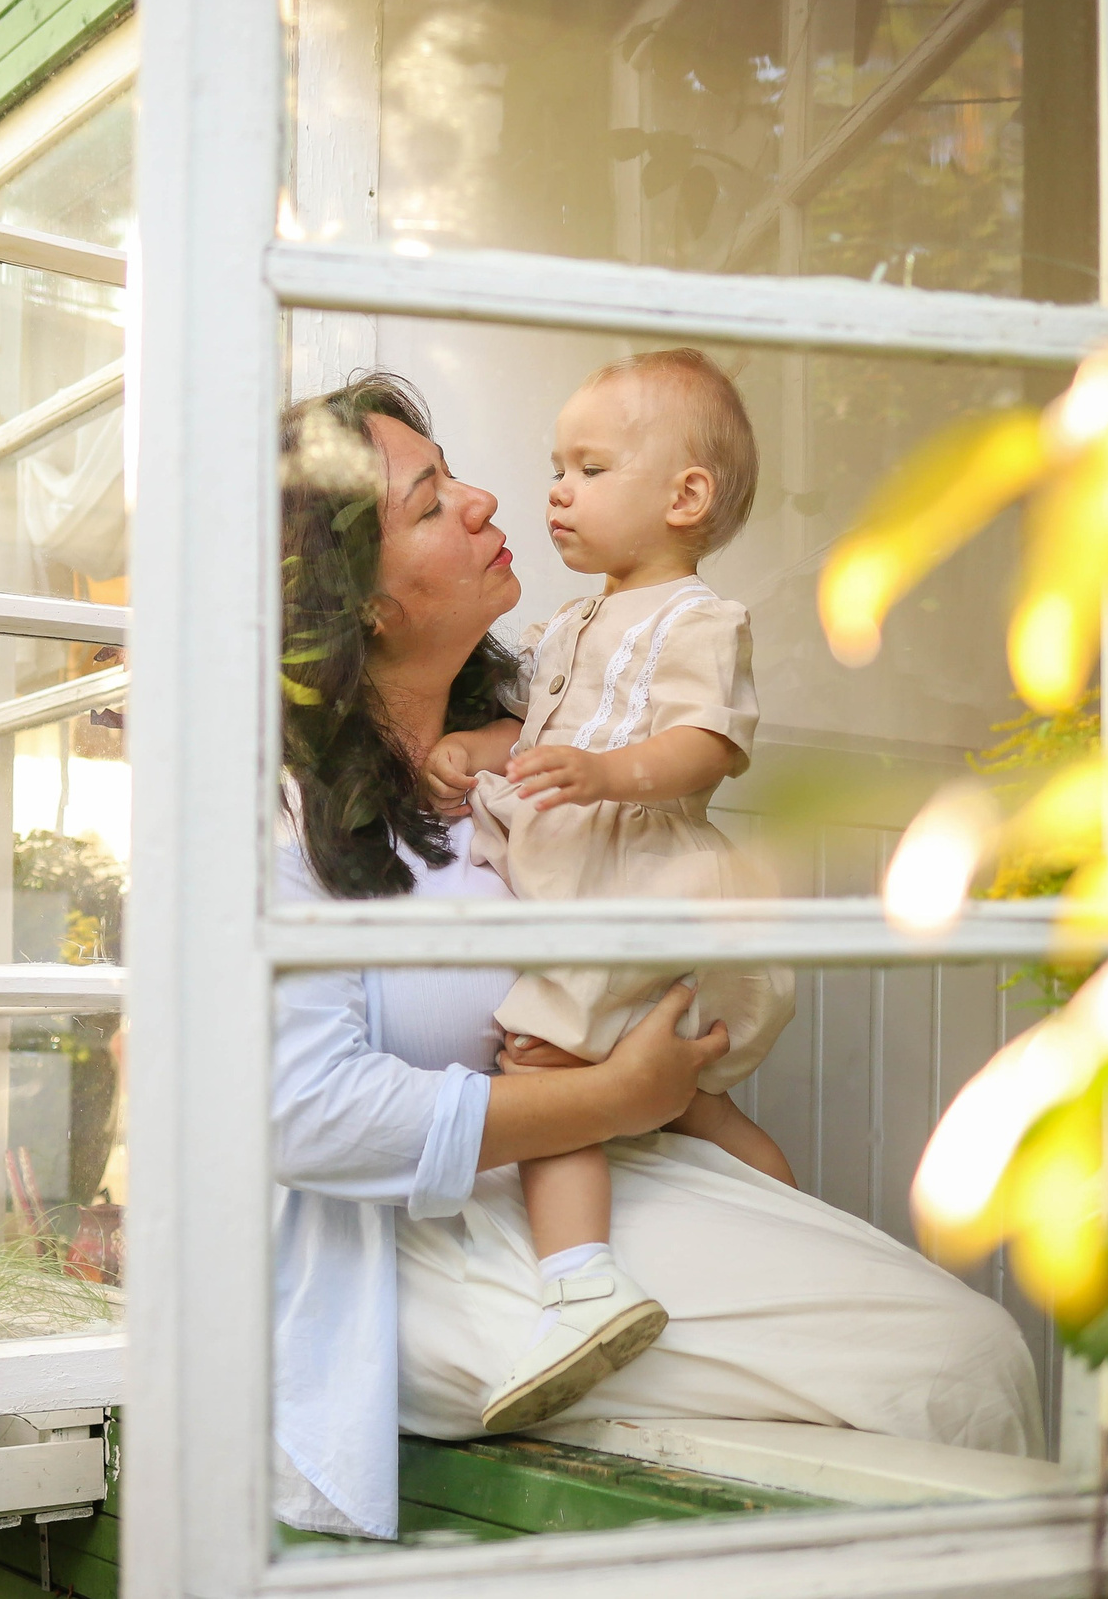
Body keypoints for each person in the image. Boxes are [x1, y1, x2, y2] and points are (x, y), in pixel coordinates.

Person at [272, 371, 1044, 1542]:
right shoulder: (282, 821)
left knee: (959, 1360)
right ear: (362, 605)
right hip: (422, 1251)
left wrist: (660, 1068)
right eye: (429, 503)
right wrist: (615, 1092)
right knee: (948, 1370)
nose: (490, 499)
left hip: (613, 1168)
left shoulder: (561, 713)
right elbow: (306, 1116)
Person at [422, 349, 796, 1434]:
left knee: (544, 1066)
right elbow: (554, 734)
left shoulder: (697, 618)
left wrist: (606, 775)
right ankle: (786, 1211)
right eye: (556, 466)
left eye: (587, 468)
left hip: (634, 879)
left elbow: (703, 746)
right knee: (695, 1097)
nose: (555, 491)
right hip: (586, 872)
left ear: (684, 498)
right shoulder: (574, 623)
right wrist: (484, 749)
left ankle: (580, 1282)